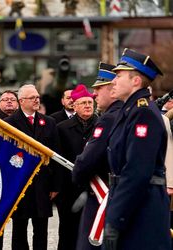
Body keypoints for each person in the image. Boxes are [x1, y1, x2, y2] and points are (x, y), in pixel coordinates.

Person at [103, 48, 171, 250]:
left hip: (142, 209)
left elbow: (137, 172)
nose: (113, 81)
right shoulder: (130, 111)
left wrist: (114, 219)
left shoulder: (143, 114)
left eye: (119, 75)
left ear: (136, 81)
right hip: (131, 206)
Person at [71, 63, 123, 250]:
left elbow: (88, 159)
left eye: (99, 89)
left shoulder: (109, 118)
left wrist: (77, 174)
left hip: (102, 191)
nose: (93, 95)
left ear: (112, 90)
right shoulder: (126, 113)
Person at [4, 84, 61, 250]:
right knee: (19, 228)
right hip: (20, 184)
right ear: (21, 101)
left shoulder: (49, 122)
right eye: (32, 98)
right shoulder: (10, 123)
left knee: (41, 228)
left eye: (37, 97)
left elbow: (56, 154)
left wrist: (55, 185)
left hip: (43, 184)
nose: (37, 100)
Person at [56, 84, 97, 250]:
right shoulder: (62, 128)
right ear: (74, 106)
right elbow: (57, 161)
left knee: (93, 229)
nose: (88, 105)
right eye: (84, 103)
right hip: (69, 188)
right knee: (68, 230)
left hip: (95, 187)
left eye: (90, 102)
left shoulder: (102, 125)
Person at [0, 90, 18, 250]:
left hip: (18, 176)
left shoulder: (23, 122)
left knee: (20, 224)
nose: (9, 102)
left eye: (12, 99)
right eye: (5, 99)